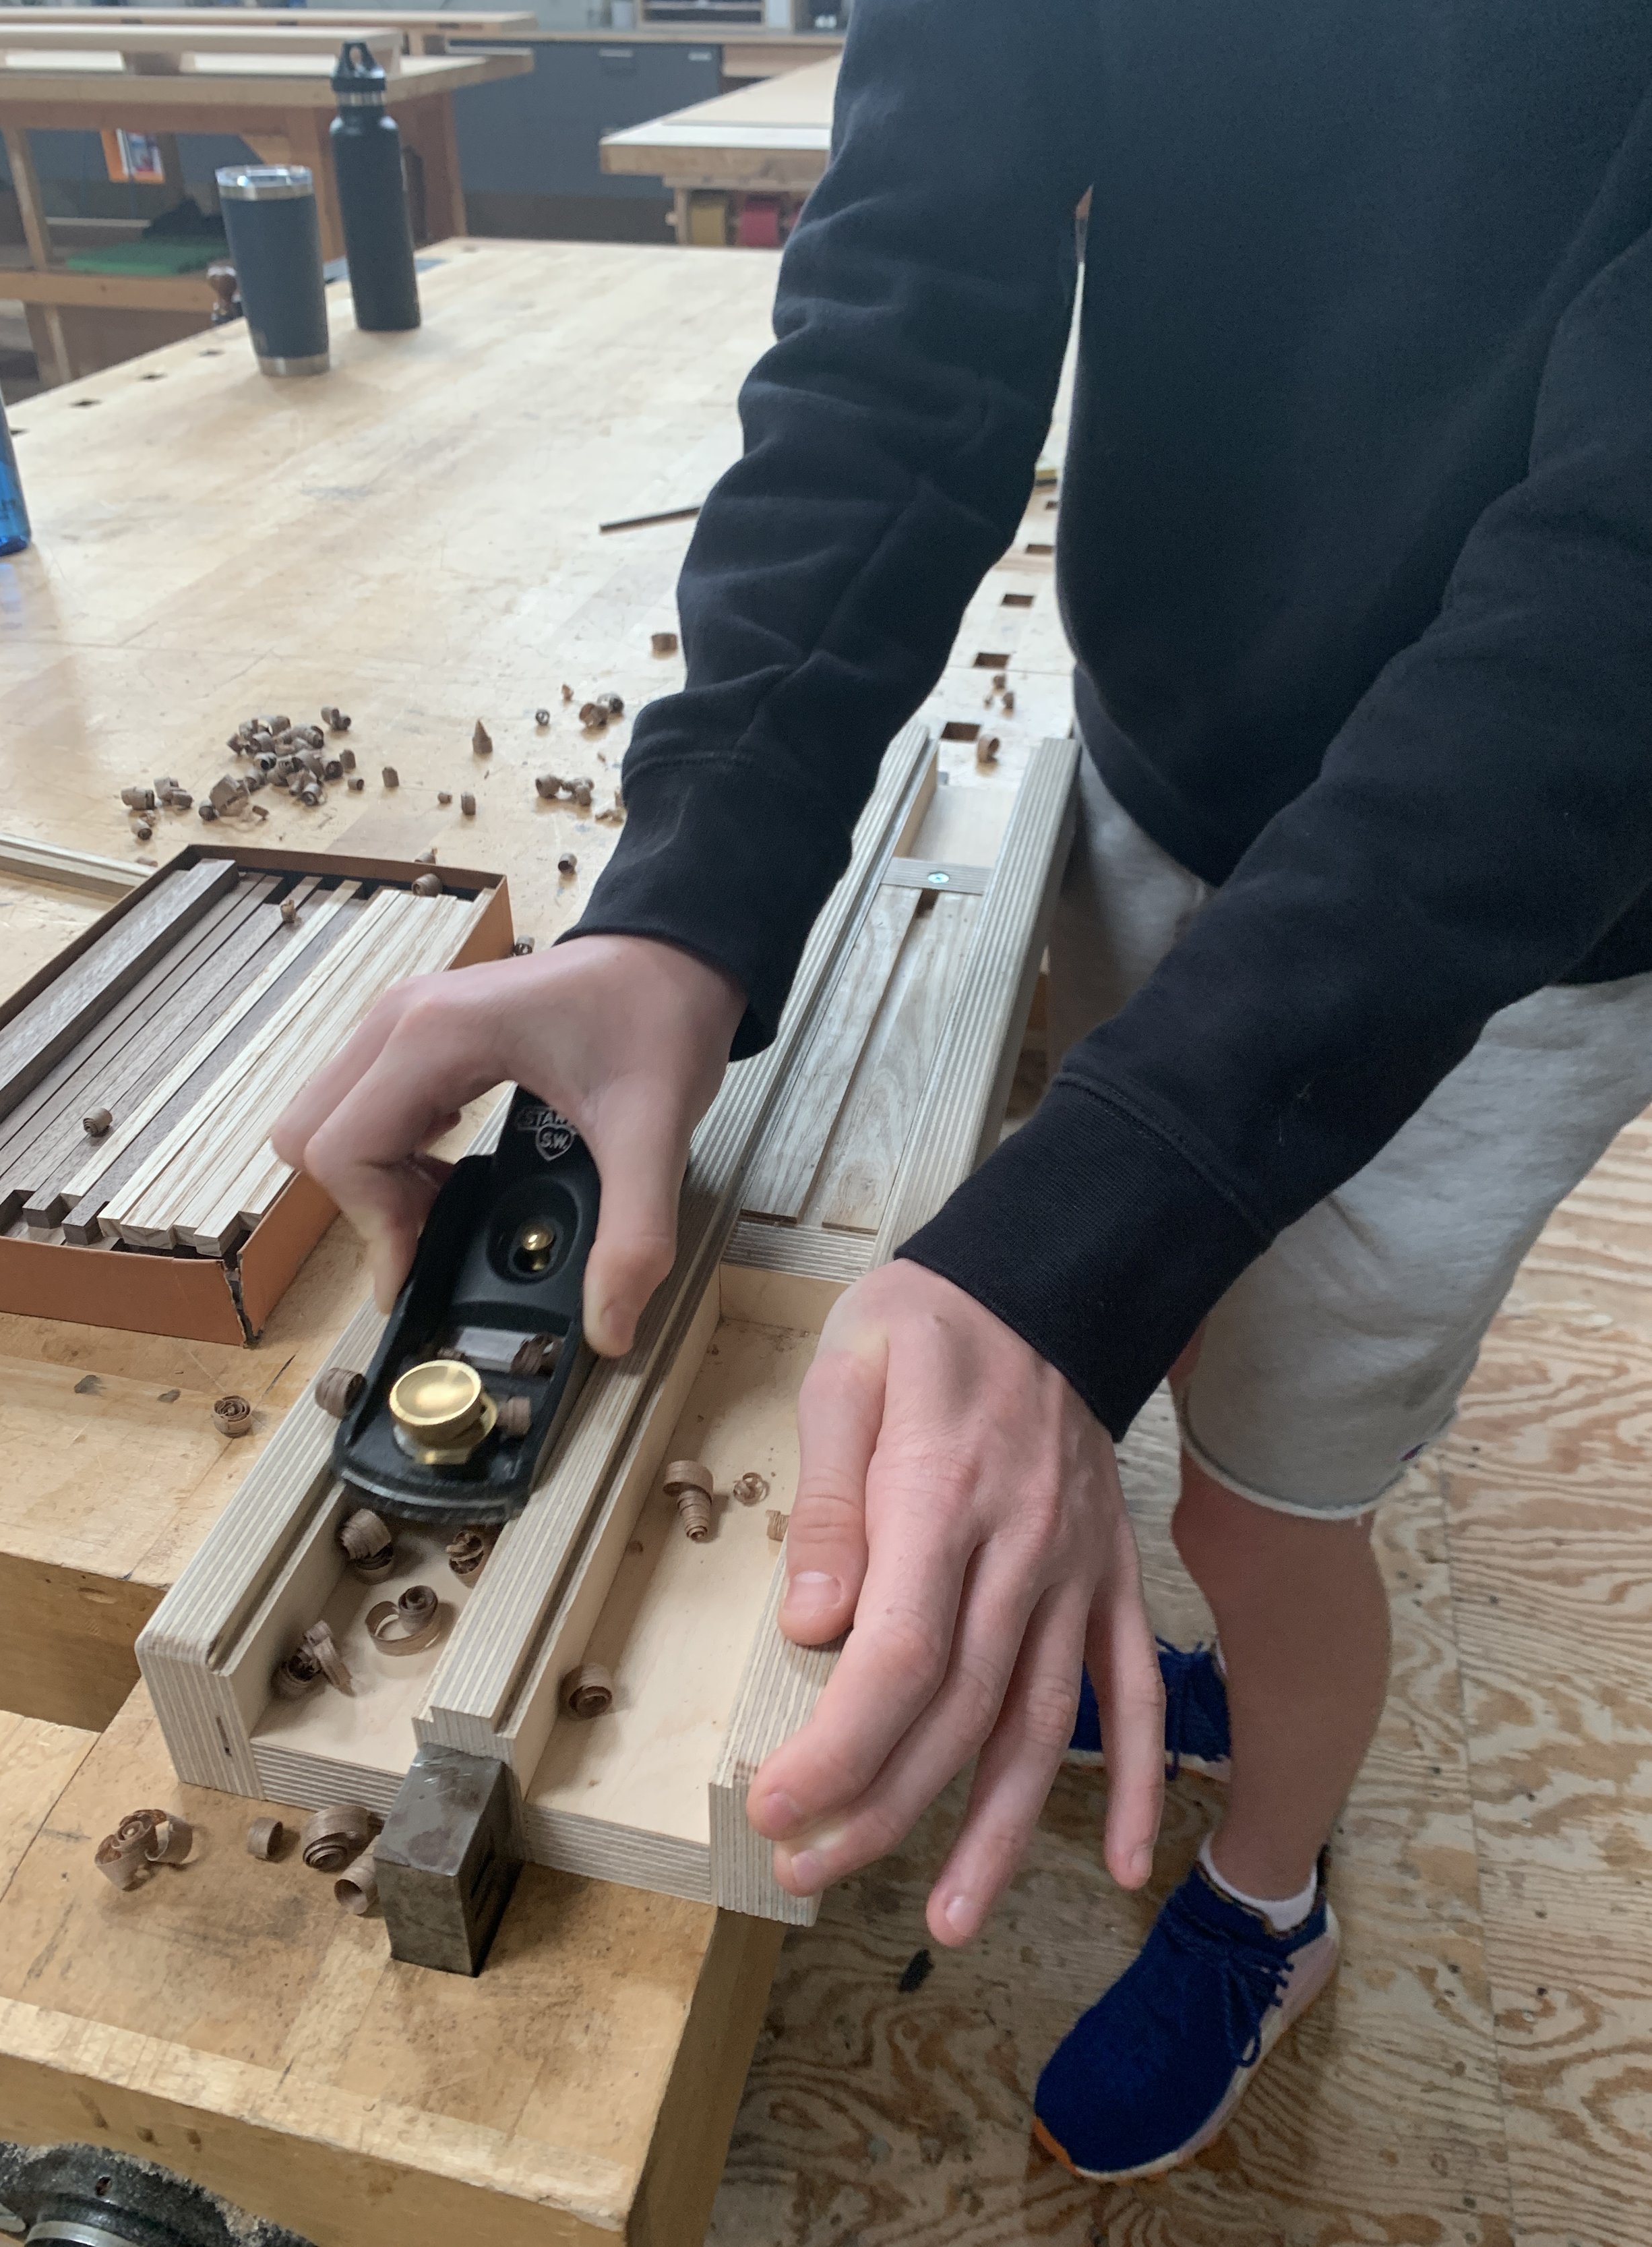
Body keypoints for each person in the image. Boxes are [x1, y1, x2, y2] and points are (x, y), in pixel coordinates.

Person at [274, 0, 1652, 2186]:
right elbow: (916, 293)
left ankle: (1269, 1891)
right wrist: (693, 888)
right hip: (1161, 751)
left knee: (1258, 1505)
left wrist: (1121, 1201)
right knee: (1158, 1333)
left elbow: (1617, 596)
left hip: (1510, 904)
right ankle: (1210, 1676)